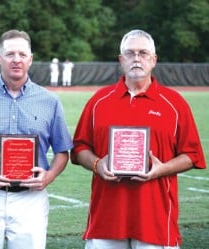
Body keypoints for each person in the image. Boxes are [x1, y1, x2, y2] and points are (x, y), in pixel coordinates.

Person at [71, 29, 206, 249]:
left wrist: (160, 169)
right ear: (121, 60)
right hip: (106, 219)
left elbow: (192, 155)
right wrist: (97, 164)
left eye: (143, 53)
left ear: (153, 60)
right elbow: (79, 149)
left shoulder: (175, 103)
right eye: (130, 53)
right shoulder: (99, 101)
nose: (136, 58)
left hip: (156, 221)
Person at [0, 29, 73, 249]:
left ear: (30, 59)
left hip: (31, 199)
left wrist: (49, 176)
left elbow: (63, 150)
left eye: (22, 55)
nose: (16, 60)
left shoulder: (49, 101)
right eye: (10, 54)